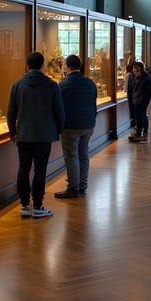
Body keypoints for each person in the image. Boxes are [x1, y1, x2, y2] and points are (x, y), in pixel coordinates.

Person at [7, 51, 65, 219]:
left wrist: (13, 132)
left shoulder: (17, 85)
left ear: (27, 65)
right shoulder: (52, 85)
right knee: (40, 169)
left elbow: (11, 113)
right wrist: (57, 130)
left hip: (24, 134)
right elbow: (60, 113)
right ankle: (38, 206)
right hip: (45, 134)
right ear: (43, 64)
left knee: (23, 168)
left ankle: (25, 206)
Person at [55, 54, 97, 199]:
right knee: (84, 155)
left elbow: (58, 107)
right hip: (89, 124)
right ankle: (82, 185)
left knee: (71, 156)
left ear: (66, 66)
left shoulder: (62, 84)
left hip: (71, 126)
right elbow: (93, 103)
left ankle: (73, 188)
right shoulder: (90, 83)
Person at [129, 61, 151, 141]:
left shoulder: (146, 77)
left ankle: (144, 133)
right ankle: (138, 132)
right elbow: (133, 88)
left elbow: (149, 91)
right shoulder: (133, 77)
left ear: (141, 69)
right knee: (137, 116)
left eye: (137, 70)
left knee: (142, 115)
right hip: (136, 100)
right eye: (134, 70)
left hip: (142, 100)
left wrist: (145, 99)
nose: (135, 71)